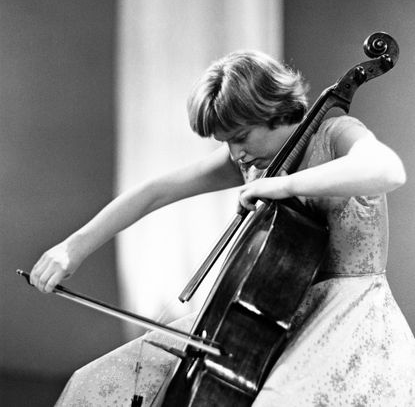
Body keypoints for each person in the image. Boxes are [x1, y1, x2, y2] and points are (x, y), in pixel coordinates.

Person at [30, 50, 415, 406]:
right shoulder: (258, 161)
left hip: (349, 317)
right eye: (226, 142)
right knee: (94, 383)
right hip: (266, 319)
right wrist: (74, 246)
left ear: (273, 111)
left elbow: (387, 170)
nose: (236, 154)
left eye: (240, 137)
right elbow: (155, 192)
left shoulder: (335, 134)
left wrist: (282, 185)